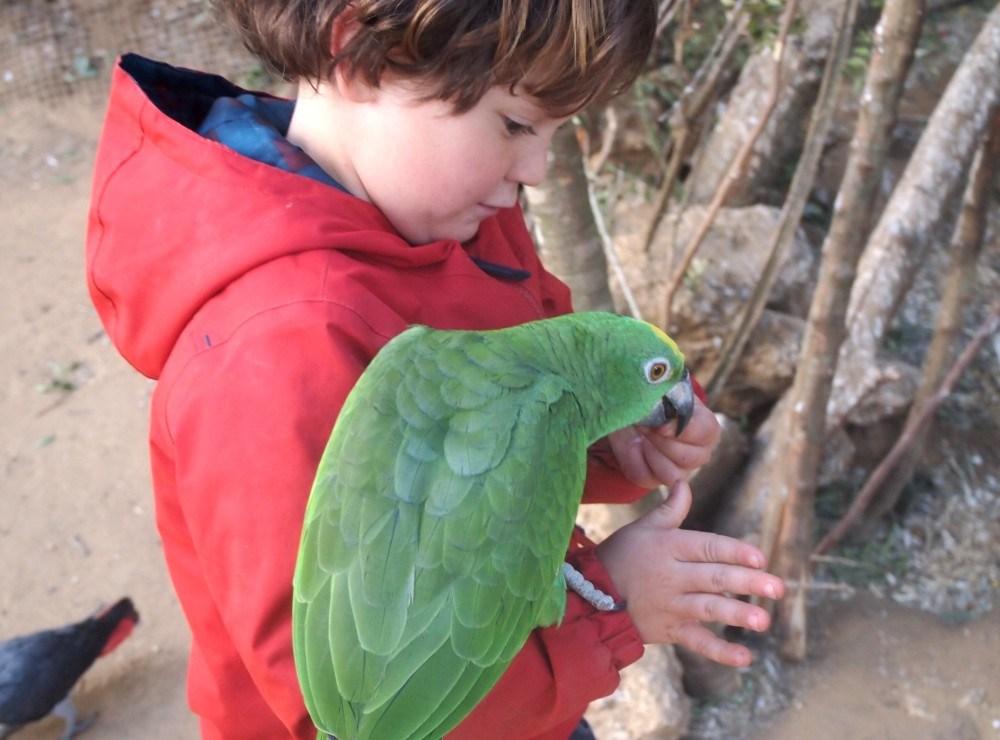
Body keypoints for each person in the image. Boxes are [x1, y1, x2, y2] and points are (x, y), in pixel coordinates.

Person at [85, 1, 785, 738]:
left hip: (525, 679)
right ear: (359, 57)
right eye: (515, 125)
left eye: (554, 133)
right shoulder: (275, 350)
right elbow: (352, 704)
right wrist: (613, 608)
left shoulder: (459, 211)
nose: (537, 171)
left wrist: (605, 435)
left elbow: (483, 445)